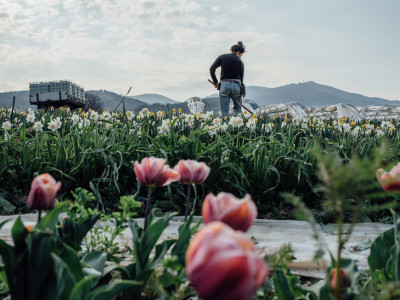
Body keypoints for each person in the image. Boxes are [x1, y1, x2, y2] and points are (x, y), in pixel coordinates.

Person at [210, 41, 245, 118]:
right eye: (241, 55)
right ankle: (237, 128)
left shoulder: (222, 57)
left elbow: (212, 69)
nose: (240, 57)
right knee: (238, 109)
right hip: (236, 85)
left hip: (224, 85)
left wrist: (215, 82)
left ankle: (224, 126)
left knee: (224, 111)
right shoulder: (240, 62)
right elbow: (241, 81)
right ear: (238, 52)